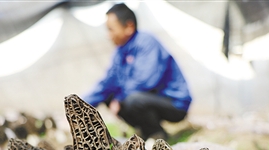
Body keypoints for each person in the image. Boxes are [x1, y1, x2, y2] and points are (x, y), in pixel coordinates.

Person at [82, 3, 192, 140]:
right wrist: (80, 105)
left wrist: (119, 98)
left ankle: (156, 135)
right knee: (109, 96)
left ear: (129, 27)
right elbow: (107, 83)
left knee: (132, 100)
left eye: (111, 29)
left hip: (174, 102)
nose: (108, 35)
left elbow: (146, 81)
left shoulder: (146, 42)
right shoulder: (120, 52)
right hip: (148, 99)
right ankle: (146, 131)